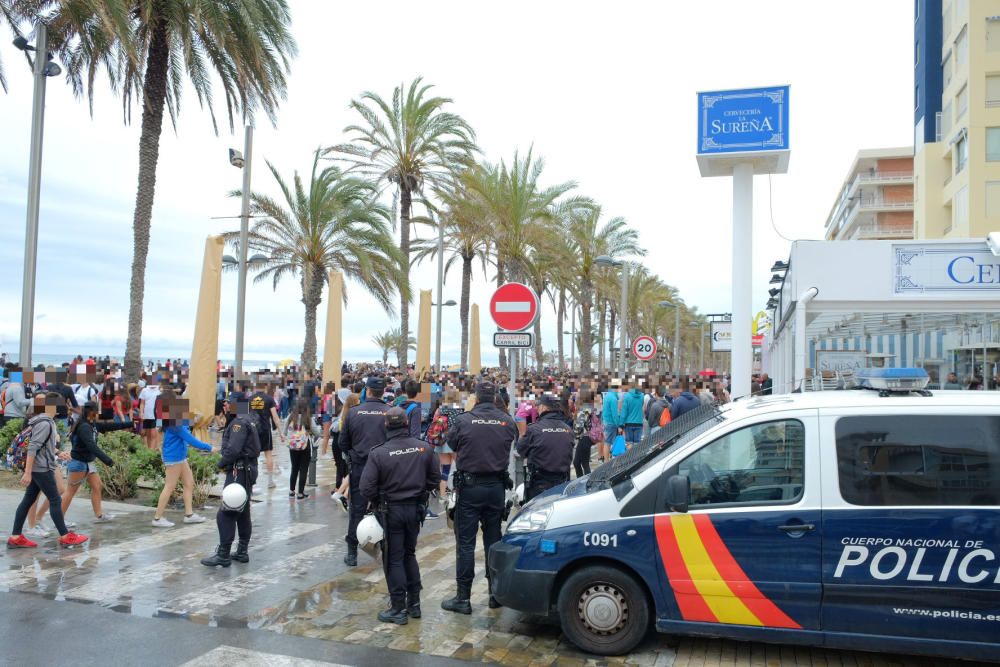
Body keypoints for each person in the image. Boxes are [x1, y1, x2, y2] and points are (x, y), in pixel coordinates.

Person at [442, 380, 518, 615]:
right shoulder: (507, 421)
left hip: (470, 488)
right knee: (493, 541)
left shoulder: (464, 421)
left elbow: (449, 444)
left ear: (476, 397)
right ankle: (495, 595)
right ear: (495, 397)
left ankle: (463, 598)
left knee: (465, 543)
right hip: (495, 488)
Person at [360, 407, 440, 625]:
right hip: (414, 509)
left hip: (391, 510)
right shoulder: (424, 448)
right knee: (409, 554)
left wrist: (379, 498)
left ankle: (398, 608)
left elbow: (366, 487)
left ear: (386, 425)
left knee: (394, 558)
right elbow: (435, 479)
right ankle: (414, 604)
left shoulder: (379, 452)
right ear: (406, 424)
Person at [7, 392, 89, 548]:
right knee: (55, 499)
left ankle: (16, 536)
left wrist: (58, 453)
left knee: (28, 499)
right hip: (41, 468)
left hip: (40, 466)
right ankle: (65, 536)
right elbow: (33, 447)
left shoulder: (45, 421)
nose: (64, 406)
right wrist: (28, 472)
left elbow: (45, 446)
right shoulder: (45, 423)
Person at [201, 399, 261, 567]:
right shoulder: (250, 419)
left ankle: (223, 554)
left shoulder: (238, 423)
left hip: (239, 471)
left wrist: (219, 464)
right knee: (242, 511)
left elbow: (233, 449)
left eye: (229, 403)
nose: (225, 406)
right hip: (247, 470)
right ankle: (242, 551)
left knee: (227, 512)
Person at [339, 376, 390, 566]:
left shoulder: (354, 412)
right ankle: (387, 549)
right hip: (384, 468)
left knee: (357, 510)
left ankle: (352, 552)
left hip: (361, 467)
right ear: (383, 391)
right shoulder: (390, 412)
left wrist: (353, 454)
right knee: (385, 508)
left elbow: (342, 442)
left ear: (367, 391)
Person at [151, 392, 211, 527]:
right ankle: (157, 518)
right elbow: (190, 439)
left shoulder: (173, 419)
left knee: (189, 483)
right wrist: (209, 447)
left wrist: (195, 419)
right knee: (169, 486)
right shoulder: (174, 423)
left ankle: (189, 515)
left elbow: (185, 423)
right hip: (174, 458)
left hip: (180, 457)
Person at [61, 402, 128, 522]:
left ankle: (99, 515)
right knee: (71, 491)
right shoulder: (84, 427)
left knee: (97, 486)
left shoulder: (92, 424)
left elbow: (111, 426)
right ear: (92, 412)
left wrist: (131, 424)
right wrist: (109, 461)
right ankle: (59, 519)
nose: (99, 413)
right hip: (79, 463)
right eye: (98, 411)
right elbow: (92, 446)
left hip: (88, 463)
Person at [517, 394, 574, 501]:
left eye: (538, 406)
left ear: (544, 407)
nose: (537, 409)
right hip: (562, 484)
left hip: (539, 485)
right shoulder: (568, 429)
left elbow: (520, 450)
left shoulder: (534, 429)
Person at [249, 382, 283, 488]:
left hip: (252, 430)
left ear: (255, 388)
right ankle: (270, 481)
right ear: (265, 387)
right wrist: (281, 432)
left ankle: (251, 483)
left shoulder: (248, 399)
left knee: (251, 456)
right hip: (265, 430)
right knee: (268, 454)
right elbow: (275, 417)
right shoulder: (269, 399)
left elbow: (240, 417)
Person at [286, 397, 313, 500]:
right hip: (304, 447)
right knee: (303, 469)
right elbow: (316, 431)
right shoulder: (307, 418)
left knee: (294, 468)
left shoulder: (291, 416)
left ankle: (291, 491)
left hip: (293, 447)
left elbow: (285, 431)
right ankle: (300, 493)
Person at [619, 381, 646, 449]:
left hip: (629, 423)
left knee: (629, 443)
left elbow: (624, 412)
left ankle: (630, 458)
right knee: (637, 444)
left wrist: (621, 425)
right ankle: (637, 458)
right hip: (639, 423)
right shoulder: (642, 396)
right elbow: (641, 406)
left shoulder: (627, 396)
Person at [138, 376, 161, 450]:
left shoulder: (159, 391)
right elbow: (142, 403)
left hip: (156, 415)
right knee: (148, 434)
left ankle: (152, 449)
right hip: (147, 415)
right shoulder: (145, 390)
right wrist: (141, 412)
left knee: (153, 433)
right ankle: (149, 449)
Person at [601, 380, 622, 460]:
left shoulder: (607, 396)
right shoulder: (613, 398)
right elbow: (615, 414)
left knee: (607, 442)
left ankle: (606, 460)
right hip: (611, 423)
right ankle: (606, 461)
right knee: (608, 443)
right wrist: (618, 425)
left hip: (606, 421)